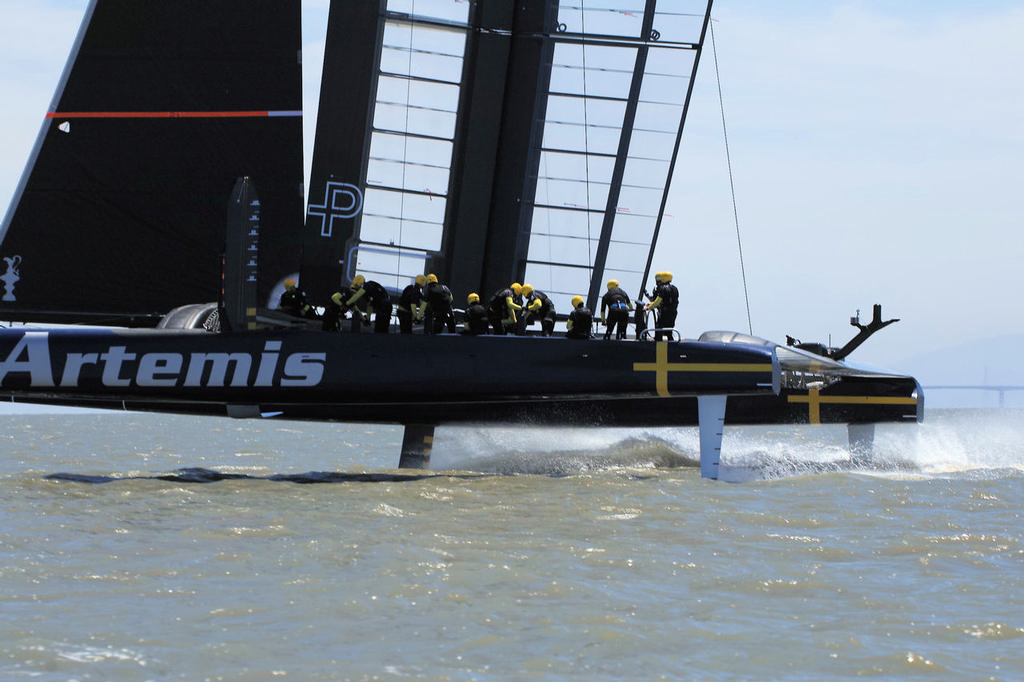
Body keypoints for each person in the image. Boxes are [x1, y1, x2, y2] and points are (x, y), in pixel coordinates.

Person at [645, 270, 679, 341]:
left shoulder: (662, 288)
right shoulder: (675, 289)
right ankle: (671, 345)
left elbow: (657, 301)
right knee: (669, 331)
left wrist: (648, 308)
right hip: (673, 313)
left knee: (659, 330)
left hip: (664, 313)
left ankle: (657, 345)